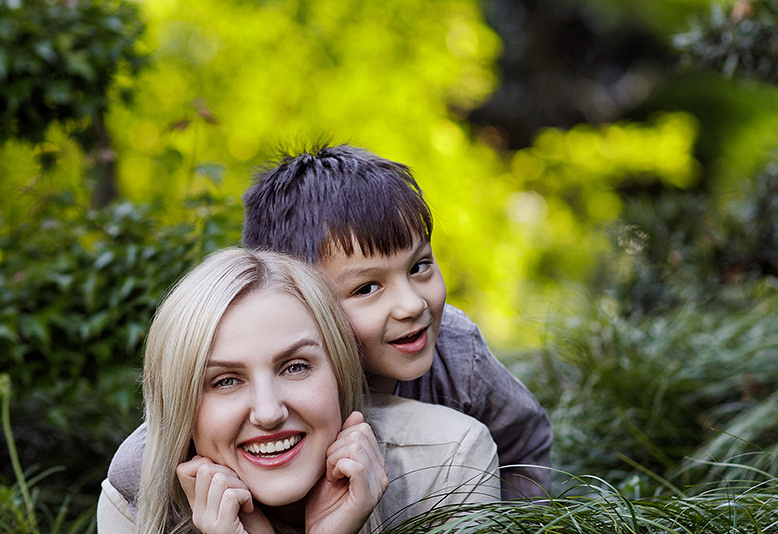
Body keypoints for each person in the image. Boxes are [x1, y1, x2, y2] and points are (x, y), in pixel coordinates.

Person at [99, 248, 499, 534]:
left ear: (340, 371)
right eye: (225, 381)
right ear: (181, 408)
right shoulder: (135, 501)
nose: (269, 413)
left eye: (296, 367)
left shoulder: (449, 461)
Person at [106, 144, 552, 506]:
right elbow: (135, 471)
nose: (411, 305)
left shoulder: (457, 353)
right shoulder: (253, 395)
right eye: (366, 289)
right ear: (297, 301)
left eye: (419, 266)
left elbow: (523, 439)